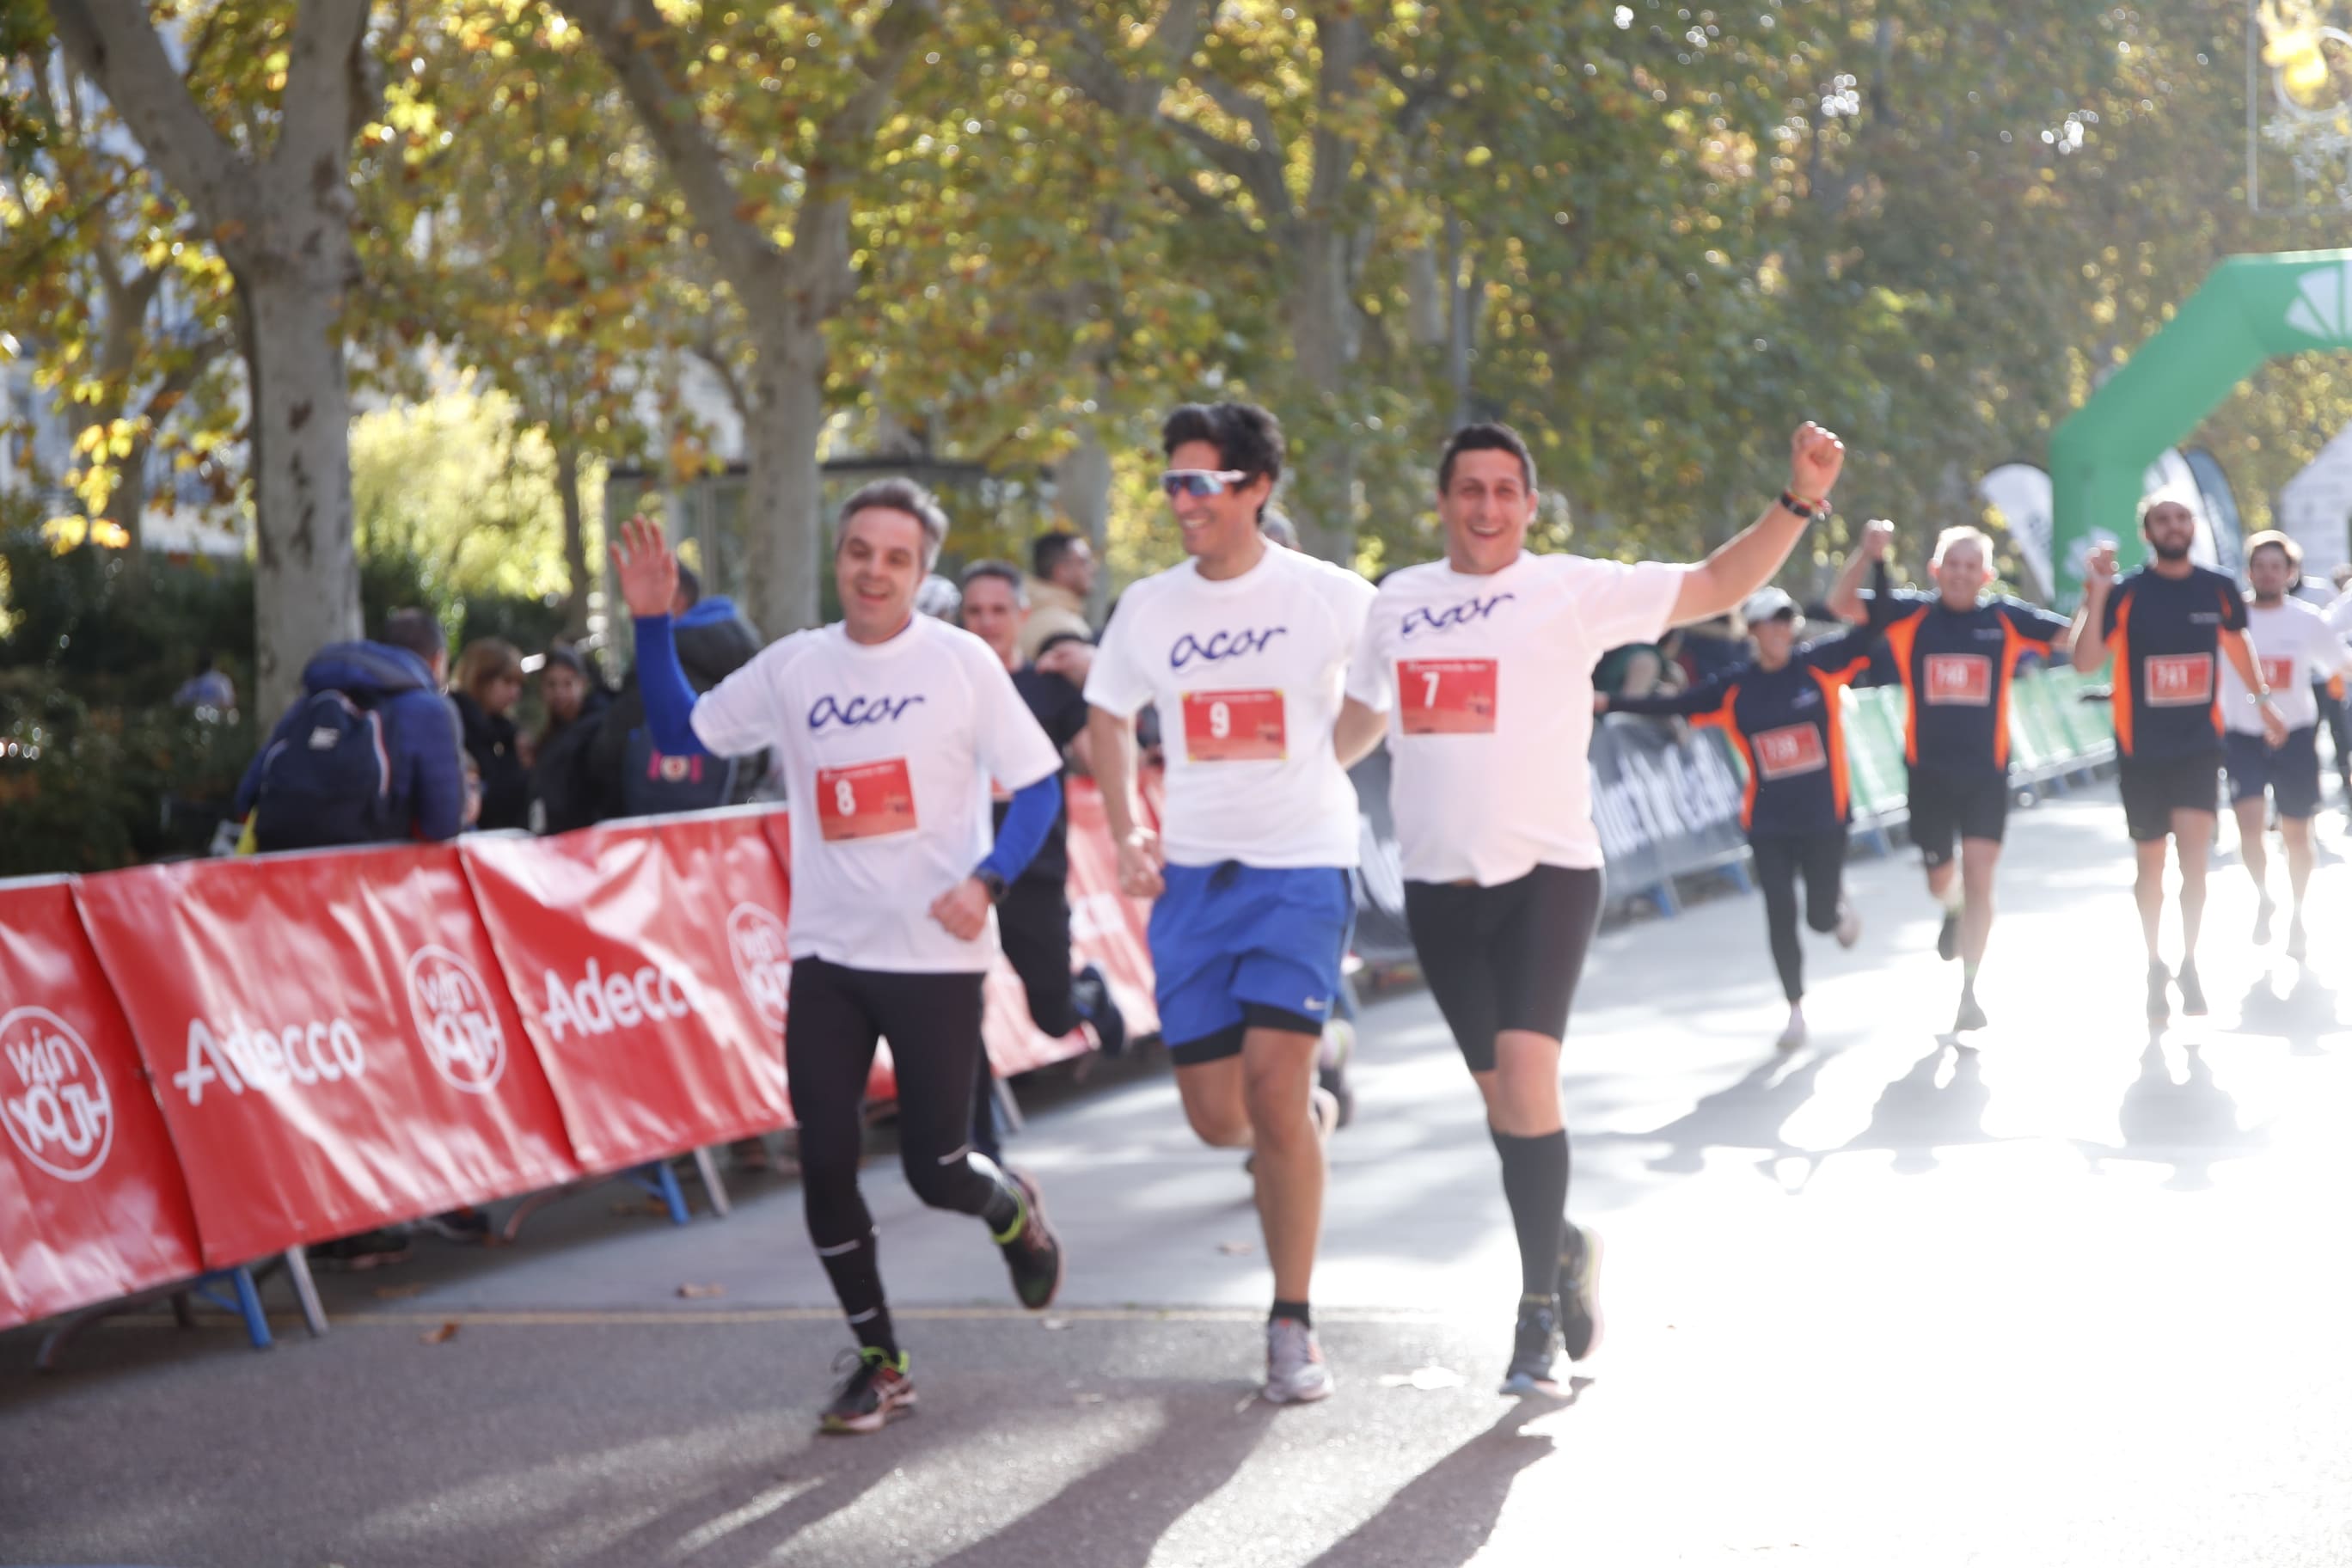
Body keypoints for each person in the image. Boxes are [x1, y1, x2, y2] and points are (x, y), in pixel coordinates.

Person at [1332, 417, 1847, 1398]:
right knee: (1508, 1110)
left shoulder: (1570, 588)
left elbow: (1712, 586)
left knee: (1529, 1084)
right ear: (1441, 504)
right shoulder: (1397, 602)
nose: (1486, 507)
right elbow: (1356, 723)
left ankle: (1533, 1320)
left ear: (1529, 506)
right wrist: (1277, 776)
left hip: (1548, 880)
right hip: (1439, 892)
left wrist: (1798, 499)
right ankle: (1564, 1243)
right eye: (1468, 490)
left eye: (1504, 491)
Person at [611, 478, 1068, 1436]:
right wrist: (651, 625)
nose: (875, 571)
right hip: (828, 953)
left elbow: (1036, 789)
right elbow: (676, 732)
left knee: (936, 1169)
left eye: (896, 557)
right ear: (840, 557)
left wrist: (987, 879)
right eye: (861, 551)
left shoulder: (962, 664)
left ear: (921, 571)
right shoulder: (795, 667)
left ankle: (1011, 1210)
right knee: (825, 1164)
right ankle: (880, 1362)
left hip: (938, 956)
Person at [1083, 400, 1373, 1405]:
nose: (1179, 501)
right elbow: (1108, 716)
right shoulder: (1150, 606)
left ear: (1256, 490)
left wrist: (1324, 764)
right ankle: (1308, 1119)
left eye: (1198, 483)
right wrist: (1127, 828)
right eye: (1171, 482)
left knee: (1272, 1090)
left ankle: (1292, 1326)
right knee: (1219, 1119)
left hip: (1301, 867)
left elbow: (1384, 687)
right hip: (1195, 879)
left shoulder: (1330, 596)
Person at [229, 607, 473, 1264]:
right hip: (371, 918)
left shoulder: (315, 700)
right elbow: (444, 823)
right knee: (388, 1059)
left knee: (325, 1061)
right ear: (437, 663)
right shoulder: (426, 711)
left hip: (284, 915)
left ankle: (329, 1212)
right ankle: (393, 1200)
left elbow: (248, 792)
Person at [1604, 567, 1891, 1051]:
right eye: (1770, 622)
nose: (1780, 630)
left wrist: (1877, 562)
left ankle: (1836, 909)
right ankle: (1795, 1012)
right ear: (1753, 631)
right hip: (1769, 823)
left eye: (1787, 620)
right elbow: (1679, 704)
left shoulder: (1820, 666)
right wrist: (1606, 702)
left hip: (1825, 817)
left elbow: (1876, 626)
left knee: (1819, 920)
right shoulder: (1736, 688)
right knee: (1780, 910)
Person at [1826, 521, 2074, 1032]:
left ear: (1986, 574)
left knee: (1983, 876)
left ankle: (1970, 990)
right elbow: (1842, 603)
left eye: (1971, 566)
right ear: (1936, 570)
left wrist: (2098, 591)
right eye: (1951, 565)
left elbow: (2074, 636)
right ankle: (1951, 904)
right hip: (1929, 775)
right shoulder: (1910, 616)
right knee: (1942, 878)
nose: (1960, 575)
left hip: (1986, 773)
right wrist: (1865, 553)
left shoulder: (2004, 619)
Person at [2070, 499, 2288, 1020]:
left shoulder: (2216, 586)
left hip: (2196, 746)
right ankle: (2154, 963)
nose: (2174, 527)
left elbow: (2237, 646)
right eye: (2163, 520)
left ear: (2192, 529)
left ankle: (2190, 962)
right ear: (2148, 533)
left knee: (2195, 863)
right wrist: (2095, 595)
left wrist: (2263, 703)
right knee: (2151, 866)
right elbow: (2086, 662)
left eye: (2182, 518)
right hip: (2141, 750)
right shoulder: (2127, 593)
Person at [956, 559, 1130, 1163]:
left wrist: (1095, 684)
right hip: (959, 879)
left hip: (1033, 875)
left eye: (998, 611)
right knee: (960, 1009)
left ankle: (1088, 995)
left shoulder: (1047, 688)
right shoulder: (940, 693)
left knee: (1052, 1016)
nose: (986, 623)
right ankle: (978, 1142)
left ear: (1021, 618)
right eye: (974, 612)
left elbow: (1095, 757)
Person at [231, 608, 467, 854]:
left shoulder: (317, 696)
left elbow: (247, 799)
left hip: (283, 872)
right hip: (371, 876)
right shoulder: (432, 710)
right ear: (438, 660)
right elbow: (441, 827)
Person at [2223, 533, 2350, 959]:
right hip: (2243, 736)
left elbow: (2341, 667)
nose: (2268, 573)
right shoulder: (2232, 618)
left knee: (2298, 833)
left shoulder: (2306, 620)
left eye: (2277, 567)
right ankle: (2263, 895)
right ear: (2249, 571)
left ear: (2291, 573)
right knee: (2249, 827)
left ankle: (2297, 914)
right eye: (2260, 566)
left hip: (2295, 736)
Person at [596, 563, 766, 816]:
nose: (632, 609)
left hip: (661, 830)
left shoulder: (659, 665)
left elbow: (608, 750)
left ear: (675, 599)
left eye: (642, 594)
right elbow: (761, 752)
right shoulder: (747, 657)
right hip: (731, 823)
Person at [450, 638, 531, 831]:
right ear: (481, 679)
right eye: (507, 682)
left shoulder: (505, 732)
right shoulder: (456, 725)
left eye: (518, 684)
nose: (515, 694)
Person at [530, 646, 611, 834]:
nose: (559, 692)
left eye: (567, 684)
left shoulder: (597, 727)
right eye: (551, 684)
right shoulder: (550, 735)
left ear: (582, 683)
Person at [1020, 530, 1097, 660]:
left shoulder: (1038, 610)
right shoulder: (1059, 625)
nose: (1093, 567)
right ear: (1061, 570)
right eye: (1084, 561)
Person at [171, 652, 237, 714]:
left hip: (210, 718)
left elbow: (177, 702)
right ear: (213, 664)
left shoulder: (192, 683)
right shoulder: (221, 680)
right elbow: (228, 702)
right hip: (206, 718)